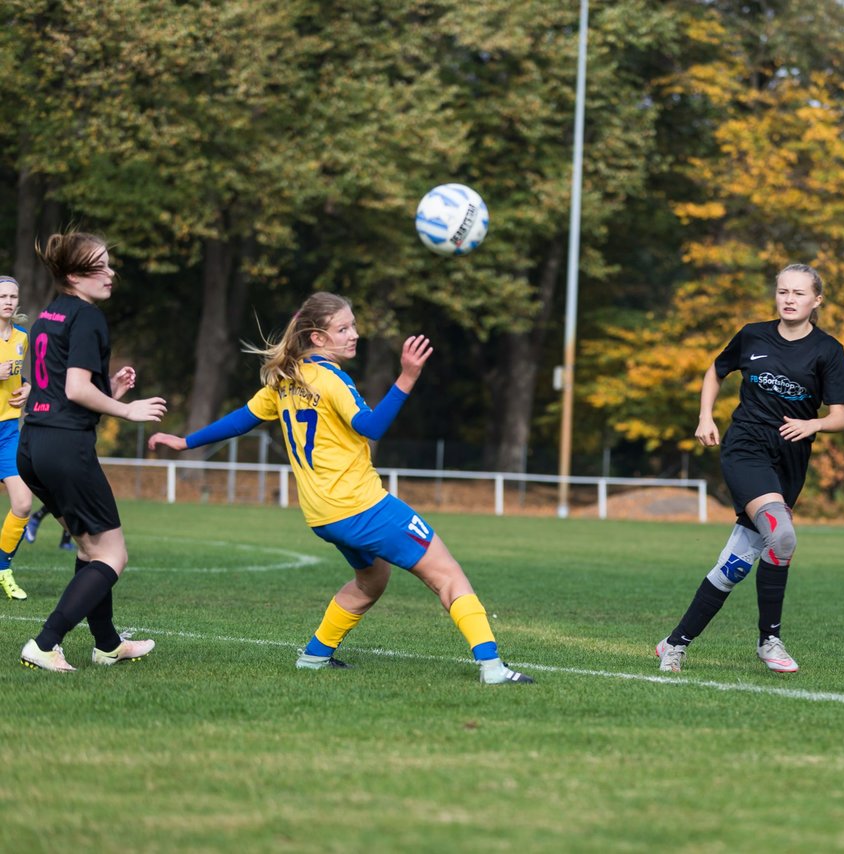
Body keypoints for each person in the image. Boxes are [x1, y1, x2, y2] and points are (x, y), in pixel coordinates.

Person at [148, 292, 534, 685]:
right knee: (448, 575)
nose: (355, 335)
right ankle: (492, 669)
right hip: (362, 506)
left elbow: (241, 420)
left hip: (324, 515)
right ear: (317, 337)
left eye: (354, 325)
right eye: (343, 328)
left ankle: (315, 657)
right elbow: (371, 427)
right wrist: (407, 377)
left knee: (371, 581)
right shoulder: (331, 379)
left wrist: (186, 442)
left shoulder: (288, 379)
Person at [656, 263, 844, 674]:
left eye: (799, 293)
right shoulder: (752, 335)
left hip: (791, 461)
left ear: (817, 300)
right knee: (782, 536)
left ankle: (674, 643)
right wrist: (705, 417)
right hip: (745, 448)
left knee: (737, 563)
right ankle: (769, 641)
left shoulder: (829, 351)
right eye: (783, 291)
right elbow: (716, 370)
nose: (789, 299)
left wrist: (812, 423)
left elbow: (840, 417)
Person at [18, 232, 167, 672]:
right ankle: (45, 643)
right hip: (65, 450)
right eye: (99, 266)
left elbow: (63, 393)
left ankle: (107, 644)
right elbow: (76, 389)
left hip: (35, 447)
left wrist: (111, 388)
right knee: (112, 555)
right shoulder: (87, 317)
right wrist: (126, 408)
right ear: (72, 275)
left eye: (108, 264)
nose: (110, 273)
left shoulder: (47, 317)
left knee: (88, 548)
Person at [0, 275, 34, 600]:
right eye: (2, 297)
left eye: (12, 297)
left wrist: (25, 388)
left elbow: (19, 376)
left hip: (9, 432)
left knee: (23, 503)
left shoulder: (22, 337)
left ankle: (3, 568)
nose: (8, 302)